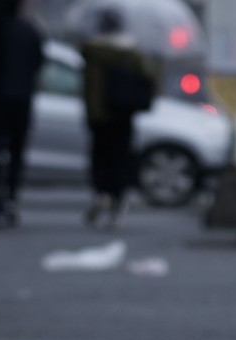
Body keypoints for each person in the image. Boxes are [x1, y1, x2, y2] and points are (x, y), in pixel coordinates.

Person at [79, 7, 159, 229]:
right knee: (121, 156)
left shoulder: (92, 51)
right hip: (124, 114)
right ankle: (117, 200)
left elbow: (86, 85)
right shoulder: (132, 53)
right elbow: (149, 79)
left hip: (99, 114)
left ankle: (101, 192)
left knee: (100, 155)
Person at [0, 0, 44, 228]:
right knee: (16, 153)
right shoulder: (30, 31)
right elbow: (38, 63)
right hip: (21, 100)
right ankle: (11, 198)